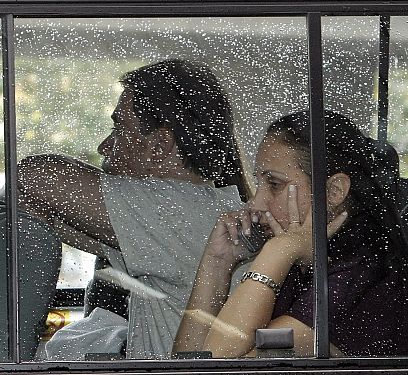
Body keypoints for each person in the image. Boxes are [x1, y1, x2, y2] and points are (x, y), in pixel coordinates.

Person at [17, 59, 249, 359]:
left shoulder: (180, 210)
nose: (104, 146)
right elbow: (39, 209)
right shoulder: (182, 217)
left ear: (161, 144)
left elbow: (33, 176)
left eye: (118, 128)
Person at [172, 110, 408, 358]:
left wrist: (277, 252)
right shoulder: (310, 260)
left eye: (274, 184)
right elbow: (187, 363)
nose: (255, 203)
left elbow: (217, 363)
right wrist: (217, 264)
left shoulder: (361, 278)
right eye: (259, 183)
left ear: (333, 192)